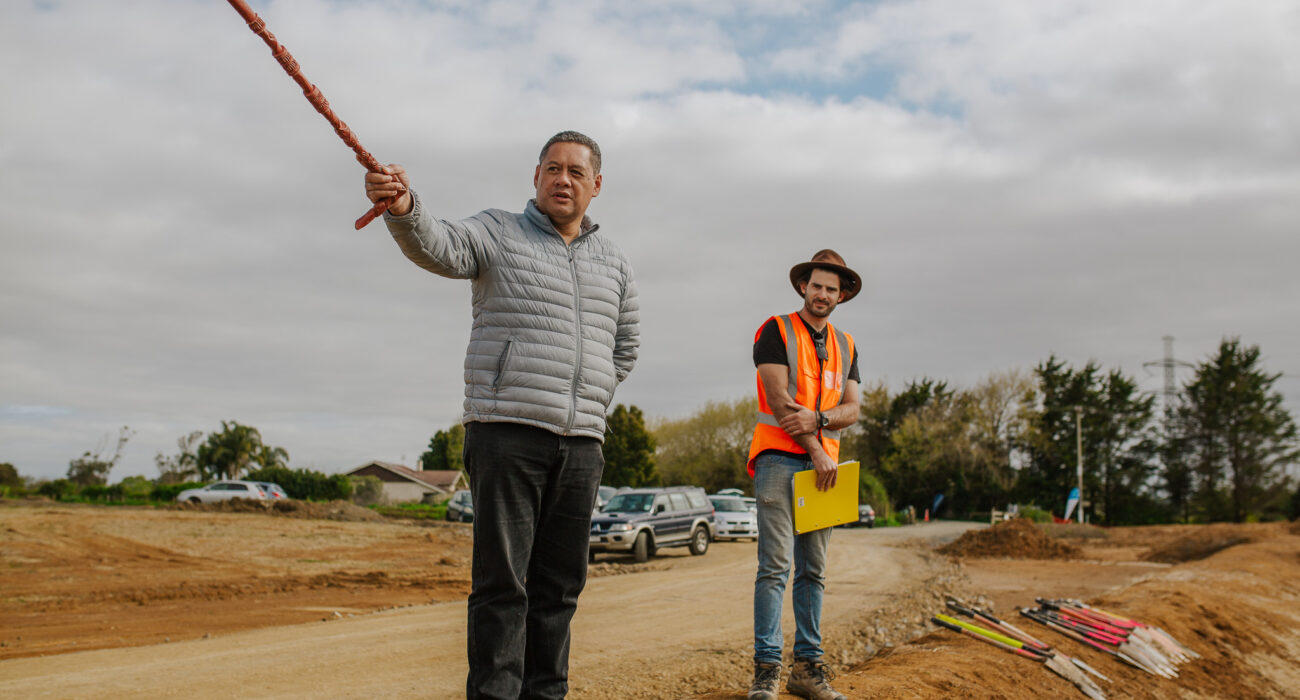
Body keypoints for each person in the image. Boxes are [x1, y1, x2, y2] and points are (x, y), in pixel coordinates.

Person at [363, 131, 640, 699]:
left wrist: (592, 393)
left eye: (576, 172)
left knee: (560, 587)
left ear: (597, 185)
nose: (564, 180)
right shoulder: (497, 230)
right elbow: (439, 245)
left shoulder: (614, 262)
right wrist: (405, 208)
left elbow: (626, 345)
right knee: (502, 586)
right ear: (535, 176)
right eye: (553, 169)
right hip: (506, 431)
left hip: (583, 444)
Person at [745, 250, 862, 700]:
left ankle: (808, 670)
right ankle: (767, 671)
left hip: (824, 468)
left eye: (832, 289)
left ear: (842, 295)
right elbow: (779, 402)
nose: (823, 294)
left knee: (813, 570)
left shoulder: (847, 344)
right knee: (774, 568)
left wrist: (819, 421)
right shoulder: (775, 330)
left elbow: (852, 409)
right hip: (780, 459)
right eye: (816, 286)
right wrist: (816, 446)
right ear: (803, 287)